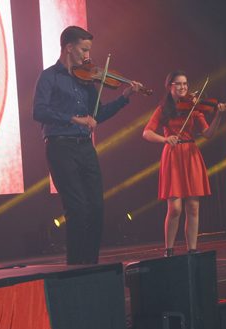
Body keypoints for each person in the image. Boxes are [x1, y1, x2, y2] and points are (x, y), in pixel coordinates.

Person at [33, 25, 144, 264]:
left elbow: (98, 114)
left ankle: (91, 265)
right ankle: (76, 266)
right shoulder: (49, 76)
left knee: (96, 207)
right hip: (60, 146)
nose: (88, 56)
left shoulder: (86, 80)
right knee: (77, 208)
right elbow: (39, 111)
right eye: (84, 50)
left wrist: (124, 98)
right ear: (69, 47)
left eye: (88, 50)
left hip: (84, 146)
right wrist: (73, 118)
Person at [143, 70, 226, 257]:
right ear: (169, 86)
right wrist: (164, 139)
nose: (183, 87)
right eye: (179, 84)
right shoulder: (163, 109)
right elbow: (147, 132)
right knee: (175, 208)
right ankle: (169, 250)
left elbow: (207, 134)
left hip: (191, 154)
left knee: (193, 206)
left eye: (185, 84)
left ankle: (192, 249)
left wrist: (218, 116)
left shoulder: (194, 108)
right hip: (173, 155)